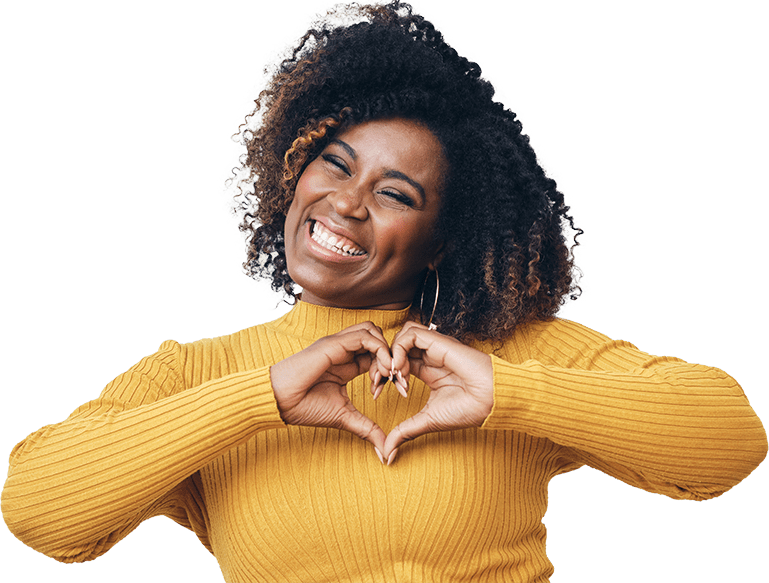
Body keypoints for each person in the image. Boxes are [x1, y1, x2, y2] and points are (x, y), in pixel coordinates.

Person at [2, 1, 766, 582]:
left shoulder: (506, 355)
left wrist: (509, 393)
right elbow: (40, 509)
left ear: (444, 239)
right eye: (333, 163)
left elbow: (727, 441)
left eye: (395, 193)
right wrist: (257, 399)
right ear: (291, 168)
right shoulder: (201, 373)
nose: (345, 201)